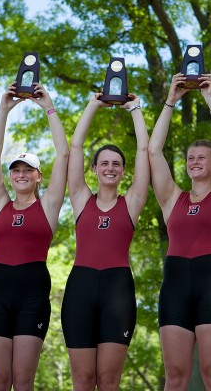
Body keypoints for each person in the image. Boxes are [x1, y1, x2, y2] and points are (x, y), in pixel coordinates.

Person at [149, 73, 211, 390]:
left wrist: (210, 98)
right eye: (190, 158)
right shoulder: (172, 198)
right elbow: (153, 151)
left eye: (202, 157)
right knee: (175, 376)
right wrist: (170, 101)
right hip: (175, 284)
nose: (194, 161)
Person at [62, 93, 149, 390]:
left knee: (109, 380)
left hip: (118, 292)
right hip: (80, 290)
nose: (110, 168)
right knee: (83, 380)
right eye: (104, 163)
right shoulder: (81, 199)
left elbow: (144, 149)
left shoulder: (133, 202)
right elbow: (74, 147)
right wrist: (92, 105)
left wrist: (135, 109)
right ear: (94, 169)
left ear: (123, 171)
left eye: (116, 164)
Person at [0, 82, 68, 390]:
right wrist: (4, 109)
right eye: (16, 170)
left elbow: (63, 155)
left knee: (22, 381)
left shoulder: (47, 205)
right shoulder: (0, 204)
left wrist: (48, 107)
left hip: (32, 292)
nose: (21, 174)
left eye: (27, 170)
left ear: (38, 175)